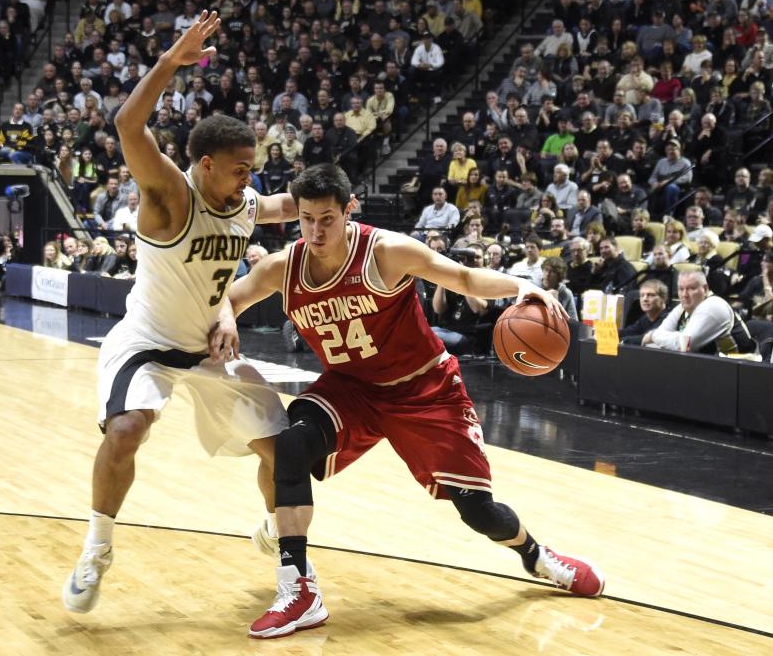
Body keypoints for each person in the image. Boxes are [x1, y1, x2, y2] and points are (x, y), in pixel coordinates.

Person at [222, 163, 604, 639]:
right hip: (352, 388)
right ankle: (299, 590)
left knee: (476, 509)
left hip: (423, 389)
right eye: (306, 220)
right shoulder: (284, 266)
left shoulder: (386, 252)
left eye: (327, 219)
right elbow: (229, 299)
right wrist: (225, 318)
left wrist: (521, 286)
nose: (316, 232)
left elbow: (462, 277)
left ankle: (539, 558)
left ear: (349, 211)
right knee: (291, 447)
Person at [62, 12, 303, 616]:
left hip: (207, 349)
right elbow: (126, 124)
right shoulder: (171, 197)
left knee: (285, 451)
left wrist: (333, 198)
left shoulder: (244, 200)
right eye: (240, 167)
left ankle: (277, 528)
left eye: (252, 168)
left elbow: (288, 204)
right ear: (206, 166)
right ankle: (97, 548)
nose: (250, 178)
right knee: (126, 429)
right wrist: (172, 62)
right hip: (146, 342)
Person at [642, 270, 755, 355]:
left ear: (705, 289)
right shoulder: (683, 307)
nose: (684, 294)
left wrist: (653, 335)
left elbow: (685, 345)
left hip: (741, 371)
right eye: (681, 289)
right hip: (714, 368)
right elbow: (663, 332)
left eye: (691, 288)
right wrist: (659, 336)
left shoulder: (714, 306)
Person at [620, 279, 668, 345]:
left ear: (664, 298)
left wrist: (621, 341)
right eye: (642, 295)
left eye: (650, 295)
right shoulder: (646, 318)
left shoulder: (668, 318)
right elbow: (627, 332)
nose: (644, 299)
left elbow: (645, 339)